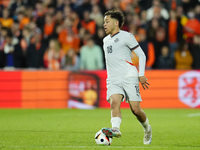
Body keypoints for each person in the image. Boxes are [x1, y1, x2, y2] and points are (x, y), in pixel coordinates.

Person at [101, 9, 152, 145]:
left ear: (116, 23)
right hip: (113, 79)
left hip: (129, 76)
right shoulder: (105, 40)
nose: (104, 24)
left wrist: (141, 74)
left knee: (135, 110)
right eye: (103, 22)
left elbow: (141, 55)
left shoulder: (127, 36)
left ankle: (147, 128)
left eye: (107, 21)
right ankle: (115, 129)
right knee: (114, 102)